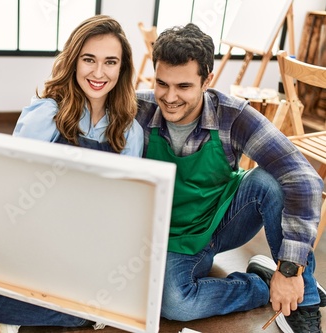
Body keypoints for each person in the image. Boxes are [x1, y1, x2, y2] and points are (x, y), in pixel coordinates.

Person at [0, 14, 142, 333]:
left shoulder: (130, 131)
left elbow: (123, 216)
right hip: (34, 242)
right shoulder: (46, 113)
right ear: (74, 61)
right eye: (89, 59)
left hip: (88, 252)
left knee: (110, 288)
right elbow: (9, 187)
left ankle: (42, 310)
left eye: (110, 62)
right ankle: (80, 312)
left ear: (122, 68)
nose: (99, 73)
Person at [134, 23, 325, 332]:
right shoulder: (138, 109)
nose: (169, 97)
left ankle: (302, 298)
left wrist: (289, 270)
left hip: (221, 222)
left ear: (208, 80)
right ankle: (263, 284)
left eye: (183, 86)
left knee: (271, 182)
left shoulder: (232, 116)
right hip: (169, 237)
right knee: (175, 303)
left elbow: (304, 179)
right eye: (161, 83)